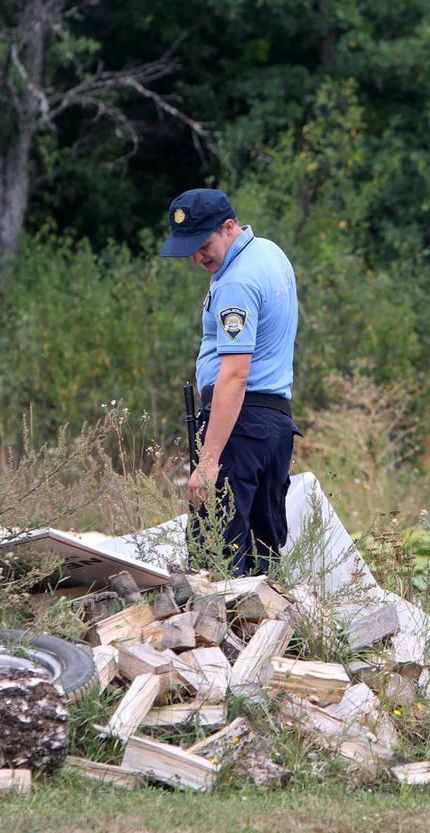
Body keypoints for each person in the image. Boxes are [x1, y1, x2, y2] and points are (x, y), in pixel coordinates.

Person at [160, 188, 299, 576]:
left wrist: (208, 462)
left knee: (214, 563)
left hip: (240, 426)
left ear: (229, 226)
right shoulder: (270, 253)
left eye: (203, 244)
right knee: (261, 560)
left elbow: (235, 375)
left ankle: (213, 638)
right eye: (189, 248)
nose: (197, 257)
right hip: (274, 425)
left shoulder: (235, 282)